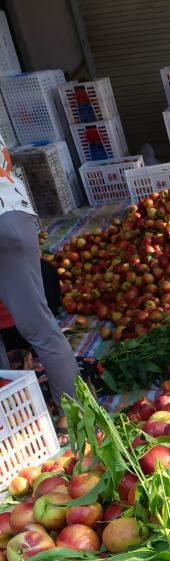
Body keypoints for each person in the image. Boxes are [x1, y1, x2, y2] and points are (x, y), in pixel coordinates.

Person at [0, 136, 79, 436]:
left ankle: (71, 414)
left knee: (39, 330)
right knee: (41, 327)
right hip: (14, 214)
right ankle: (62, 413)